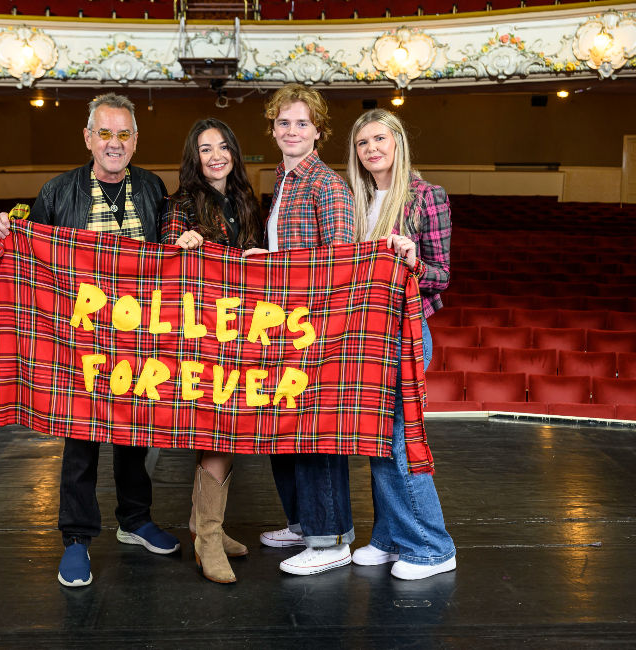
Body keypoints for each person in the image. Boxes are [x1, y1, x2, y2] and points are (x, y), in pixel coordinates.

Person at [0, 92, 179, 588]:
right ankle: (76, 539)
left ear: (135, 140)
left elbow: (172, 260)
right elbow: (26, 261)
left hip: (140, 339)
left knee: (138, 435)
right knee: (81, 443)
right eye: (105, 133)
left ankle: (134, 521)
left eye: (124, 134)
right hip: (80, 341)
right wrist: (2, 234)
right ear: (88, 137)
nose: (114, 143)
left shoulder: (154, 187)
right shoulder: (58, 190)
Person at [246, 83, 359, 576]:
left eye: (302, 123)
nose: (292, 131)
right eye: (283, 123)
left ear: (318, 131)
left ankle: (330, 539)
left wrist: (274, 263)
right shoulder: (285, 178)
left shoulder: (326, 185)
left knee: (316, 432)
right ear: (273, 129)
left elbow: (340, 263)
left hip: (317, 329)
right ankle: (303, 521)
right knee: (285, 430)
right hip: (284, 328)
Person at [345, 108, 456, 580]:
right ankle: (390, 538)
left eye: (379, 139)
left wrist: (412, 259)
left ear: (397, 142)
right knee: (376, 440)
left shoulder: (427, 196)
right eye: (362, 143)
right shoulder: (356, 198)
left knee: (397, 442)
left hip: (407, 333)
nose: (371, 149)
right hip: (366, 335)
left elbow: (442, 274)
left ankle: (432, 547)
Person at [160, 117, 263, 584]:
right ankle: (207, 535)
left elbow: (258, 255)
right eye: (206, 149)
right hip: (201, 334)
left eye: (223, 146)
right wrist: (186, 242)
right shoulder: (183, 202)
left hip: (241, 331)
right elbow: (166, 249)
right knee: (217, 432)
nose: (216, 155)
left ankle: (207, 530)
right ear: (194, 158)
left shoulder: (246, 199)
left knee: (228, 430)